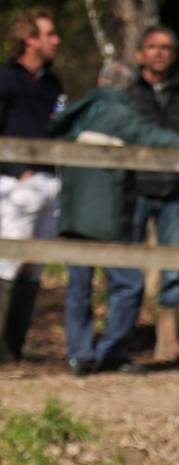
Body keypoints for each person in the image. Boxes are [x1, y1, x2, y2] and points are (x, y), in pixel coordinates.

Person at [52, 61, 179, 375]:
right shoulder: (119, 114)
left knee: (79, 284)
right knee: (128, 283)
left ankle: (80, 353)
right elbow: (150, 135)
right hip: (108, 213)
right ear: (127, 87)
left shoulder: (78, 111)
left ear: (100, 80)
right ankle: (109, 351)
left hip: (73, 211)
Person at [126, 24, 179, 365]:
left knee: (173, 264)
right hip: (134, 189)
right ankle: (123, 336)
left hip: (172, 190)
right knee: (126, 264)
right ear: (141, 53)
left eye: (166, 47)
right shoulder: (128, 93)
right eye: (153, 47)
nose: (159, 53)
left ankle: (167, 336)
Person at [0, 8, 63, 363]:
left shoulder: (53, 84)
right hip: (12, 184)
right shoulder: (6, 80)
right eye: (49, 33)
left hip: (48, 182)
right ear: (30, 39)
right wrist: (15, 168)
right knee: (7, 260)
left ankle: (15, 345)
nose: (56, 40)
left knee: (34, 265)